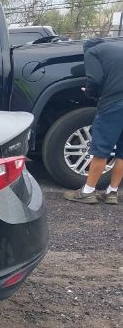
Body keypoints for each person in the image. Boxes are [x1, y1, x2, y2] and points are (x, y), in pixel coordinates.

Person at [63, 38, 123, 205]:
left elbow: (95, 78)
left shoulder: (92, 51)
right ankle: (112, 192)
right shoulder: (116, 50)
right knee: (122, 152)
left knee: (101, 148)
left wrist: (89, 91)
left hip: (114, 105)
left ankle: (87, 191)